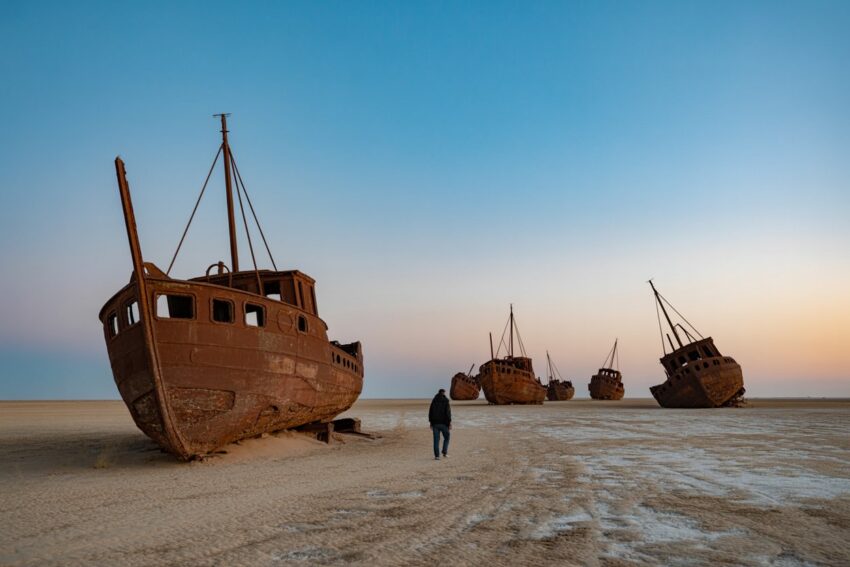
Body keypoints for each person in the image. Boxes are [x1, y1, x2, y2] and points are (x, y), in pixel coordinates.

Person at [428, 388, 452, 460]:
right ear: (444, 393)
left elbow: (430, 413)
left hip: (435, 424)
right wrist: (449, 423)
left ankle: (437, 456)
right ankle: (444, 452)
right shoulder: (446, 401)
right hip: (444, 424)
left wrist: (431, 423)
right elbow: (448, 413)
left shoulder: (434, 401)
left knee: (436, 440)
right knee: (447, 437)